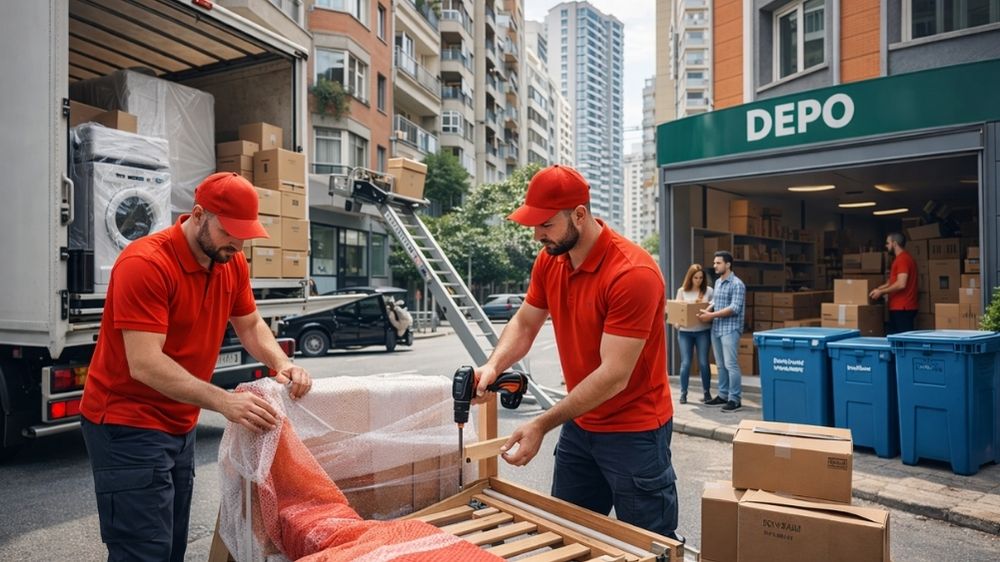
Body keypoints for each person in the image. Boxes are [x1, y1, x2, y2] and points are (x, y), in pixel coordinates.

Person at [79, 172, 313, 561]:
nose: (238, 244)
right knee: (143, 552)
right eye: (229, 232)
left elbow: (250, 324)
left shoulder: (230, 262)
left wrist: (281, 362)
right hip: (126, 423)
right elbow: (146, 364)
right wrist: (223, 402)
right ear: (199, 214)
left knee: (170, 547)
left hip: (178, 422)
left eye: (245, 234)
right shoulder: (145, 263)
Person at [473, 164, 679, 540]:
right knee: (568, 533)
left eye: (546, 225)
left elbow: (614, 375)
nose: (537, 235)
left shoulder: (632, 273)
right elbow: (525, 322)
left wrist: (540, 423)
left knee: (647, 544)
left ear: (579, 215)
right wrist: (492, 366)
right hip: (582, 424)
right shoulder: (551, 259)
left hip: (634, 431)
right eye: (533, 225)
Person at [697, 251, 746, 412]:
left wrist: (711, 315)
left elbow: (734, 308)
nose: (715, 265)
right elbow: (715, 301)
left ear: (728, 264)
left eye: (718, 263)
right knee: (720, 365)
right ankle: (723, 395)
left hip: (730, 329)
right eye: (715, 262)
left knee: (731, 364)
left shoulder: (737, 284)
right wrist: (707, 310)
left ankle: (735, 399)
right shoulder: (718, 282)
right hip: (717, 328)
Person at [673, 264, 714, 405]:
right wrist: (677, 324)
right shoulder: (682, 291)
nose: (698, 280)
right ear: (690, 278)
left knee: (703, 362)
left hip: (703, 331)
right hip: (685, 333)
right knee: (686, 363)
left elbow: (713, 310)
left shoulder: (709, 291)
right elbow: (676, 312)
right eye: (696, 278)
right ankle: (683, 394)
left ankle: (707, 393)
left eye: (701, 278)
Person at [869, 232, 919, 334]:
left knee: (903, 340)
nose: (886, 246)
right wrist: (879, 289)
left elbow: (901, 284)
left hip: (903, 308)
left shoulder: (902, 260)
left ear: (894, 244)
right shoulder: (902, 259)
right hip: (901, 307)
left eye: (888, 243)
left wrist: (882, 292)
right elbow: (892, 282)